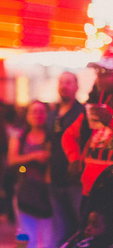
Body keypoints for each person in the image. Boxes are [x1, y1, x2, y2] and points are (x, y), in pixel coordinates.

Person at [62, 45, 113, 222]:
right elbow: (68, 135)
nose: (99, 76)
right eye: (98, 71)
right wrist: (74, 159)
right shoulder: (94, 104)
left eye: (105, 71)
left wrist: (110, 122)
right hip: (89, 187)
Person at [8, 100, 54, 248]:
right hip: (25, 192)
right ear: (27, 115)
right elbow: (12, 160)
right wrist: (34, 156)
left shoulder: (51, 137)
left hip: (48, 194)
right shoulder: (20, 136)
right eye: (33, 111)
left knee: (49, 240)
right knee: (28, 239)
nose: (37, 115)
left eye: (41, 111)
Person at [47, 71, 85, 245]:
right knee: (59, 231)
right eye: (61, 82)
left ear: (77, 87)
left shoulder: (82, 113)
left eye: (69, 82)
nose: (64, 86)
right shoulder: (53, 115)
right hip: (55, 180)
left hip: (76, 181)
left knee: (80, 226)